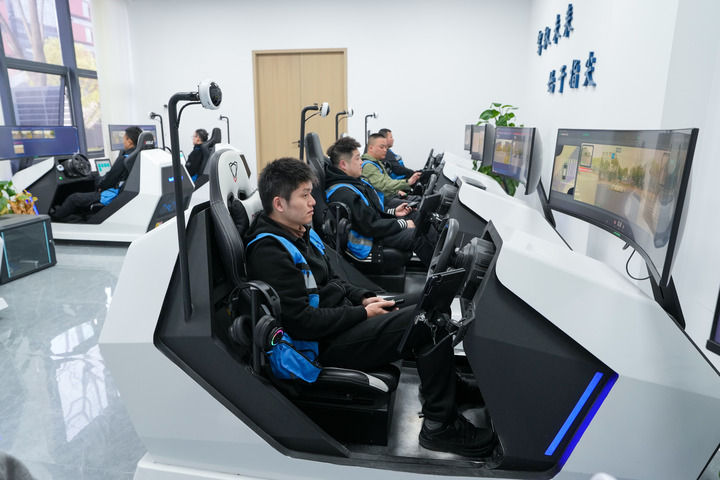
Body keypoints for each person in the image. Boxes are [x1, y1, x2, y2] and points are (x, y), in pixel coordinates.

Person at [244, 157, 495, 458]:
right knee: (427, 319)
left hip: (339, 320)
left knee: (428, 300)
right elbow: (302, 323)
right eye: (305, 195)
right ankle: (440, 426)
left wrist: (364, 297)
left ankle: (448, 386)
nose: (313, 202)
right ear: (279, 204)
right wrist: (362, 313)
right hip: (320, 345)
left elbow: (334, 279)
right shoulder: (269, 251)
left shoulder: (300, 232)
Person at [325, 137, 436, 266]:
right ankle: (440, 273)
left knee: (419, 219)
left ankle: (446, 259)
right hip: (368, 242)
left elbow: (370, 213)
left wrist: (393, 212)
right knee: (417, 237)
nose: (361, 162)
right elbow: (369, 226)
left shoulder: (352, 183)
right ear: (343, 164)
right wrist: (402, 223)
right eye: (357, 158)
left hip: (373, 232)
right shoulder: (344, 193)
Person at [50, 126, 142, 220]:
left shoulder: (124, 159)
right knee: (95, 179)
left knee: (73, 198)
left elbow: (110, 179)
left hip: (111, 195)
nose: (123, 142)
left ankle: (54, 217)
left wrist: (100, 187)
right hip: (120, 192)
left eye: (124, 139)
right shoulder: (137, 156)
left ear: (129, 141)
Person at [362, 133, 421, 197]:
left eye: (386, 147)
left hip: (388, 196)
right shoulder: (368, 166)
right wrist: (408, 182)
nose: (385, 150)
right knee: (417, 201)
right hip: (382, 200)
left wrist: (396, 191)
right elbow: (383, 185)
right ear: (371, 148)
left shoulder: (377, 163)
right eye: (381, 147)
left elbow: (386, 182)